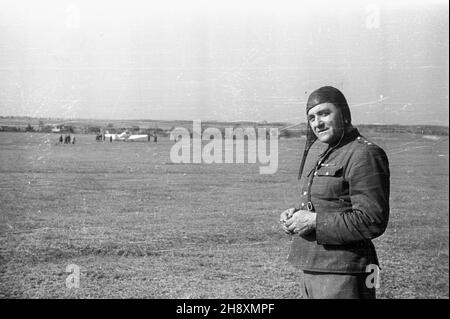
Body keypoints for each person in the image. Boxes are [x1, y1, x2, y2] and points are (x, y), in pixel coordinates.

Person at [280, 86, 390, 299]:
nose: (317, 123)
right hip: (315, 267)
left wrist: (314, 221)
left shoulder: (364, 154)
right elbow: (329, 202)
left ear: (344, 113)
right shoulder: (328, 152)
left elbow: (372, 220)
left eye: (324, 113)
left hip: (344, 273)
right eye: (311, 117)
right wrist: (296, 215)